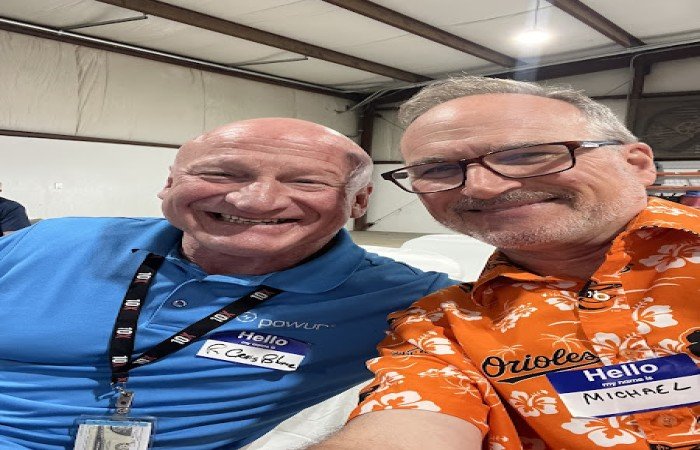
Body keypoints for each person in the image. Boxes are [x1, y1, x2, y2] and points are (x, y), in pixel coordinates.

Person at [0, 118, 455, 450]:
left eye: (306, 181)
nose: (256, 200)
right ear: (169, 183)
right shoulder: (45, 242)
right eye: (221, 173)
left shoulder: (413, 300)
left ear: (358, 200)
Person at [310, 76, 699, 450]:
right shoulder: (442, 326)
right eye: (438, 169)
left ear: (636, 163)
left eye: (527, 155)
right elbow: (407, 423)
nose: (483, 187)